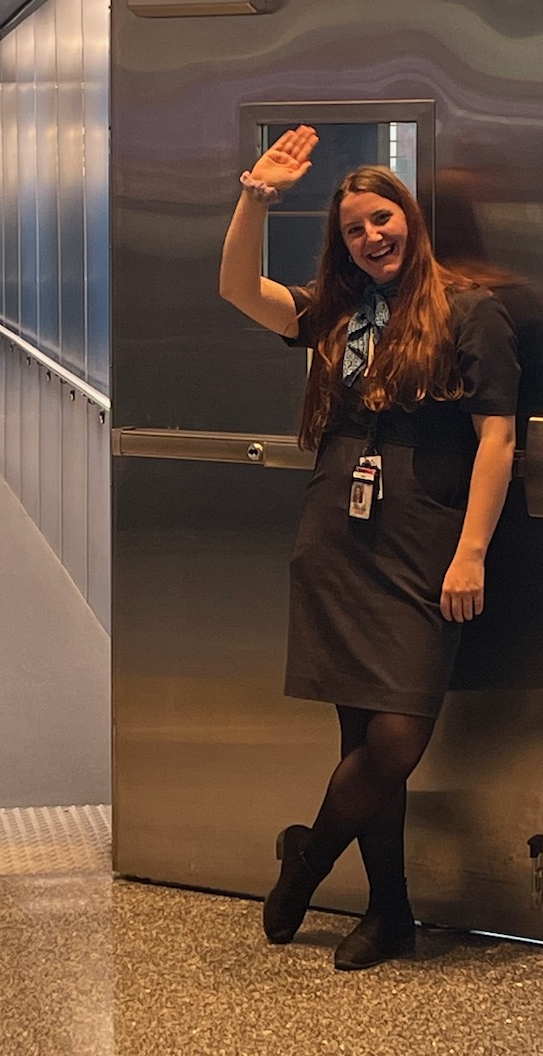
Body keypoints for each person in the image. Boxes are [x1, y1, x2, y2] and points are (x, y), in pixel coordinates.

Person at [219, 127, 520, 970]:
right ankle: (392, 915)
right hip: (337, 536)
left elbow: (497, 440)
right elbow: (238, 289)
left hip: (427, 543)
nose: (371, 237)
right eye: (354, 229)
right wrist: (256, 195)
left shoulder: (470, 311)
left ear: (411, 220)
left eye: (382, 219)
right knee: (361, 745)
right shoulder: (336, 313)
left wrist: (472, 554)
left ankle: (306, 860)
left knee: (395, 740)